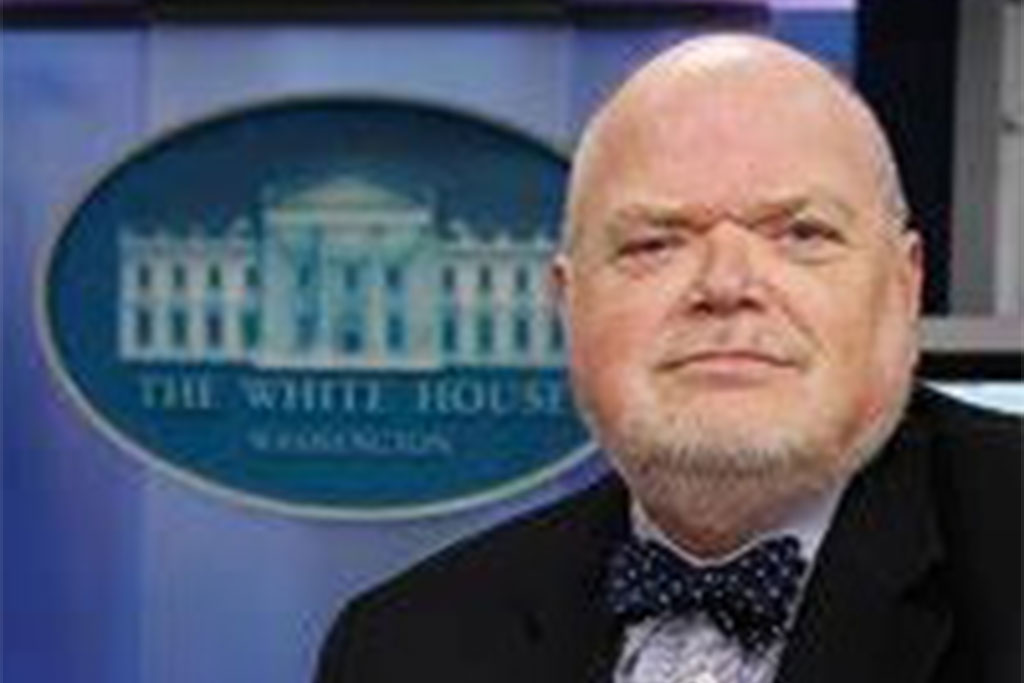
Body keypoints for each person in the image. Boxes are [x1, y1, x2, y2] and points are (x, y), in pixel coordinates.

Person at [315, 34, 1021, 683]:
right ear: (568, 302)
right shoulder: (403, 646)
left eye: (801, 234)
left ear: (903, 287)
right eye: (655, 243)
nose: (726, 285)